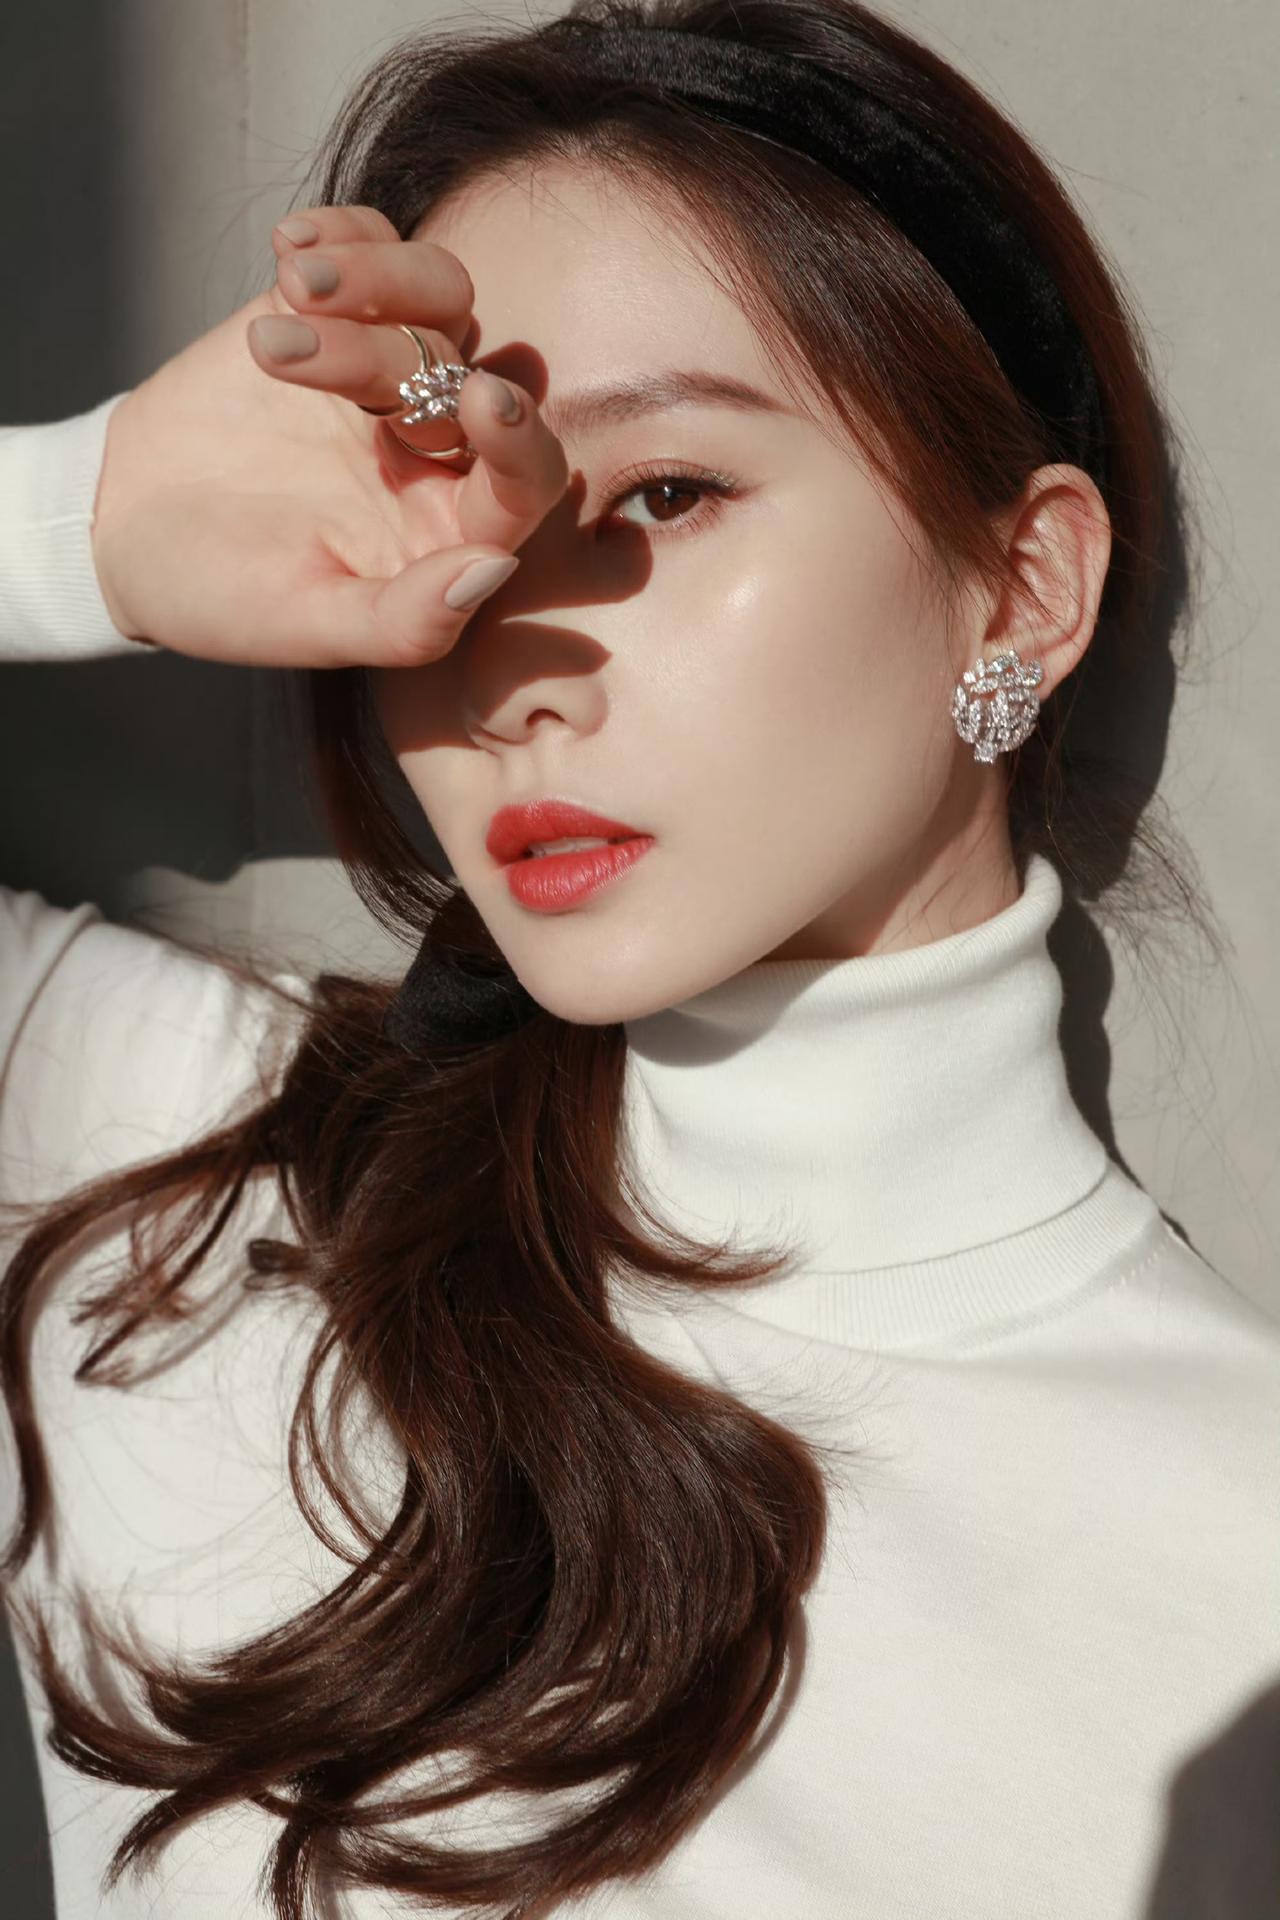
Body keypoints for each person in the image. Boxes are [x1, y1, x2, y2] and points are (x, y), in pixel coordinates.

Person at [1, 2, 1275, 1917]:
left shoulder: (1242, 1569)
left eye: (665, 495)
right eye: (452, 517)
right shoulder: (164, 1196)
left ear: (1022, 588)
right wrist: (82, 524)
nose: (510, 664)